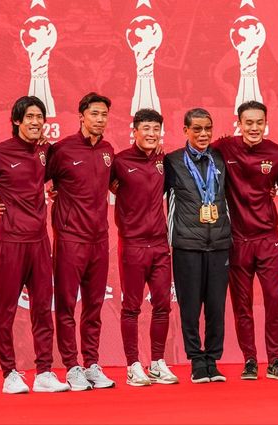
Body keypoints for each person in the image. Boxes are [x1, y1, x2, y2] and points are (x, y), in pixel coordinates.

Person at [0, 96, 69, 393]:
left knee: (43, 309)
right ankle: (9, 373)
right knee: (5, 311)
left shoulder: (46, 151)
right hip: (11, 242)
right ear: (17, 120)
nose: (36, 122)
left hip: (40, 242)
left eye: (39, 117)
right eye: (30, 117)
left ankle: (44, 372)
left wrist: (57, 191)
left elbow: (64, 177)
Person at [211, 101, 278, 381]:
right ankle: (249, 360)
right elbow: (196, 154)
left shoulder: (277, 155)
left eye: (259, 122)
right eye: (249, 122)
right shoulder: (224, 148)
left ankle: (275, 360)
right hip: (237, 240)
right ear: (239, 124)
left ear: (265, 124)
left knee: (273, 300)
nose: (254, 127)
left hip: (268, 238)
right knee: (242, 304)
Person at [46, 92, 116, 390]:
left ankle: (91, 364)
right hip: (70, 239)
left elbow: (119, 184)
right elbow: (30, 181)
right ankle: (72, 366)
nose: (100, 119)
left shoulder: (108, 151)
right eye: (94, 114)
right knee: (65, 305)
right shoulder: (61, 150)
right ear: (81, 116)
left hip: (99, 239)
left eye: (104, 115)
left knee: (94, 306)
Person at [110, 109, 177, 386]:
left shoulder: (164, 160)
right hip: (133, 244)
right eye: (146, 129)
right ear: (134, 131)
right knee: (131, 307)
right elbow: (92, 184)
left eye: (155, 129)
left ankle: (158, 363)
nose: (151, 134)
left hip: (160, 244)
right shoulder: (119, 161)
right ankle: (133, 364)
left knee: (162, 305)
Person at [164, 108, 231, 383]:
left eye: (208, 129)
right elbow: (147, 189)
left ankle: (212, 360)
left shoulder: (221, 158)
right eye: (197, 129)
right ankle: (196, 361)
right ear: (185, 131)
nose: (203, 134)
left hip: (220, 243)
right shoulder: (172, 161)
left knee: (216, 307)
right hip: (186, 245)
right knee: (189, 307)